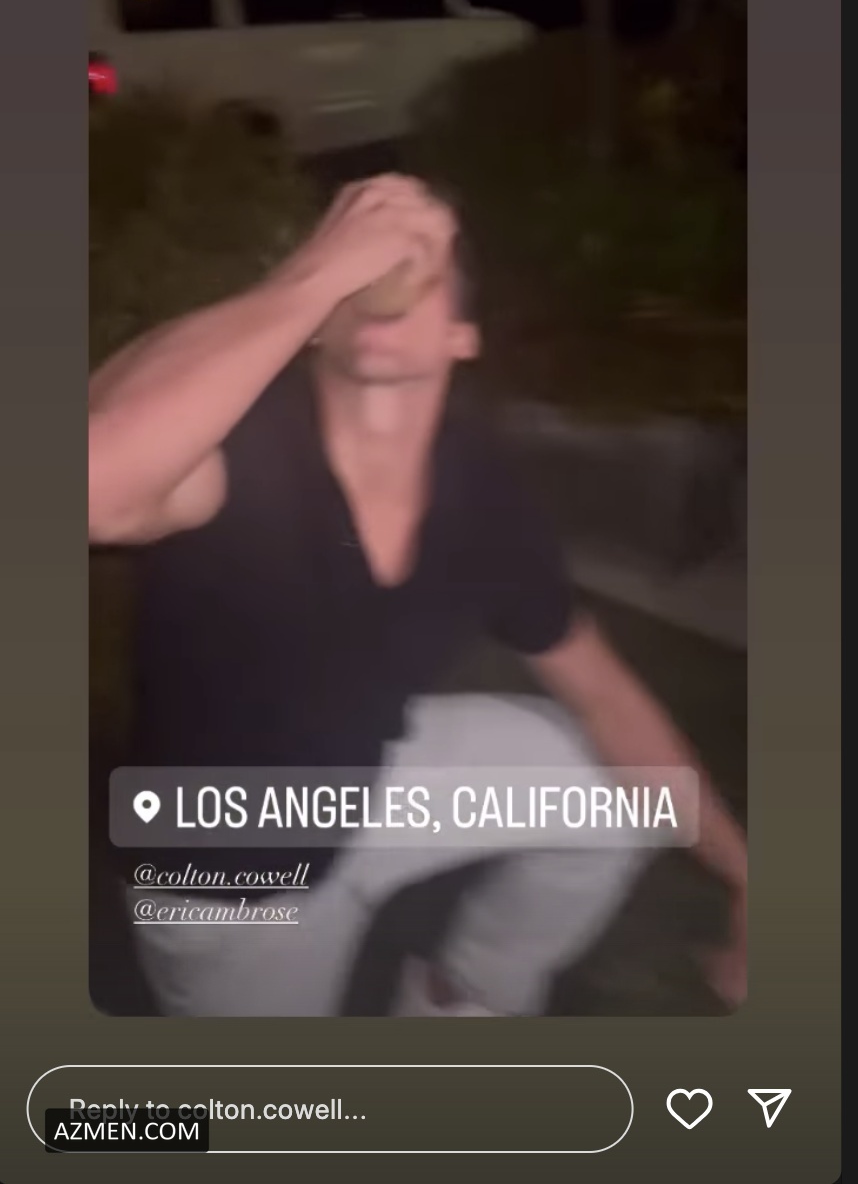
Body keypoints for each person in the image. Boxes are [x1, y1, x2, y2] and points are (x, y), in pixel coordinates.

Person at [88, 174, 747, 1017]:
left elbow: (605, 694)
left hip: (372, 782)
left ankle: (460, 995)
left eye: (421, 270)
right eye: (359, 273)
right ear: (317, 315)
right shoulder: (239, 441)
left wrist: (745, 876)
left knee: (612, 783)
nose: (384, 282)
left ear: (462, 336)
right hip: (230, 877)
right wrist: (313, 272)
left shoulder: (480, 491)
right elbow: (94, 489)